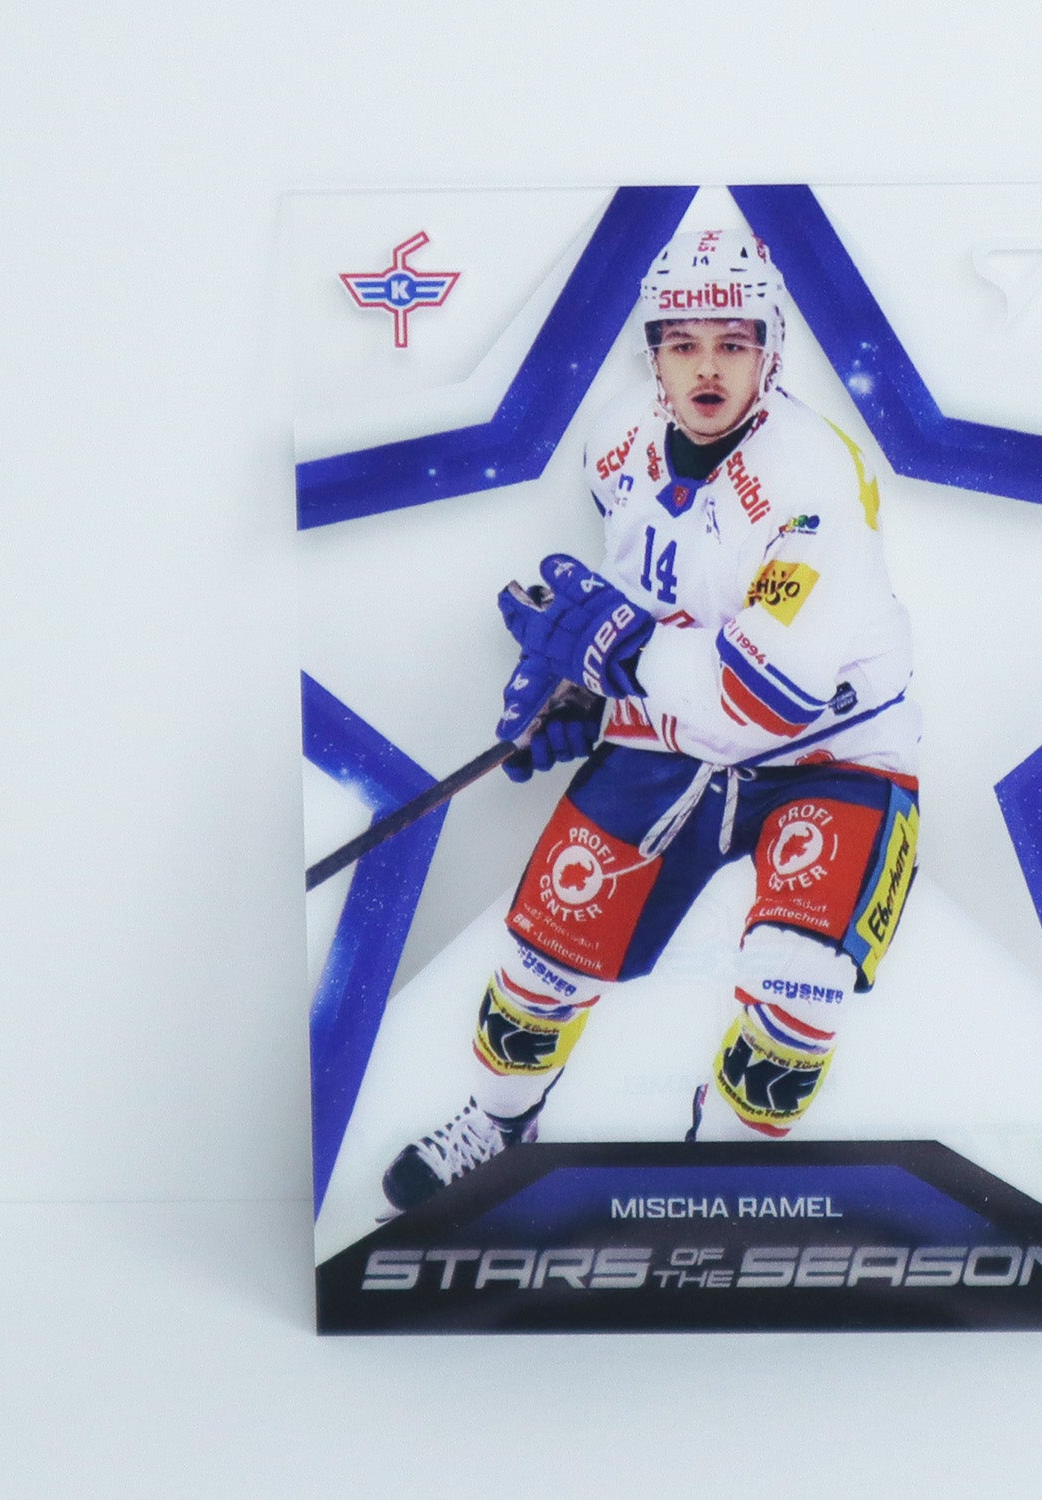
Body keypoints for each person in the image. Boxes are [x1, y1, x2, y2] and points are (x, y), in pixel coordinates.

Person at [382, 228, 921, 1210]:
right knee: (535, 982)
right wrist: (580, 693)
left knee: (788, 1023)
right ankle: (498, 1128)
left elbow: (764, 699)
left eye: (733, 343)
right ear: (654, 354)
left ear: (771, 352)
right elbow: (645, 591)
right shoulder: (618, 442)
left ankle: (719, 1176)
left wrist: (617, 655)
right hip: (675, 742)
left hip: (830, 755)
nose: (708, 367)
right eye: (683, 344)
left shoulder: (815, 479)